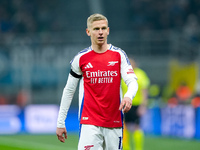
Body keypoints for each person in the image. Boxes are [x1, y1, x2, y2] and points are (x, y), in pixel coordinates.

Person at [56, 13, 138, 150]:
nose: (100, 32)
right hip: (89, 121)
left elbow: (132, 81)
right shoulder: (81, 58)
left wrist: (129, 96)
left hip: (114, 120)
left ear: (108, 30)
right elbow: (69, 90)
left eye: (103, 28)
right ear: (88, 32)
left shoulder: (119, 55)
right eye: (96, 29)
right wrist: (60, 122)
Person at [122, 58, 150, 150]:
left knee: (136, 127)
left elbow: (144, 91)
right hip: (124, 104)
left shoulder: (140, 75)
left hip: (136, 104)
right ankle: (126, 148)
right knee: (123, 126)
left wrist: (143, 106)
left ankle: (138, 148)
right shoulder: (123, 74)